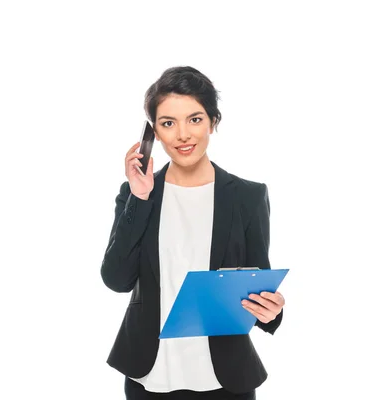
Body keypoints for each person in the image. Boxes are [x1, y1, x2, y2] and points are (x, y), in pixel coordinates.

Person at [100, 66, 285, 400]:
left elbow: (257, 283)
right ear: (153, 132)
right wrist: (140, 197)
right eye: (168, 123)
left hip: (226, 380)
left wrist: (271, 311)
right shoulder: (138, 194)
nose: (182, 134)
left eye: (195, 119)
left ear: (213, 122)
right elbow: (116, 279)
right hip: (150, 378)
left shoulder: (248, 197)